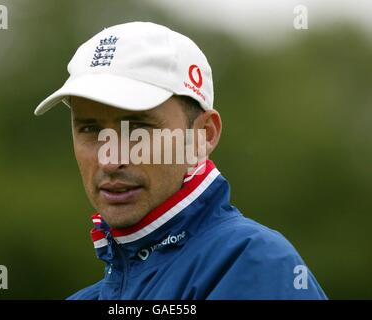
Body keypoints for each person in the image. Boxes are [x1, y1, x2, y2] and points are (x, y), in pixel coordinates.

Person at [34, 21, 327, 300]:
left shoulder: (254, 263)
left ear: (203, 135)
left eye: (137, 127)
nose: (110, 159)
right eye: (91, 129)